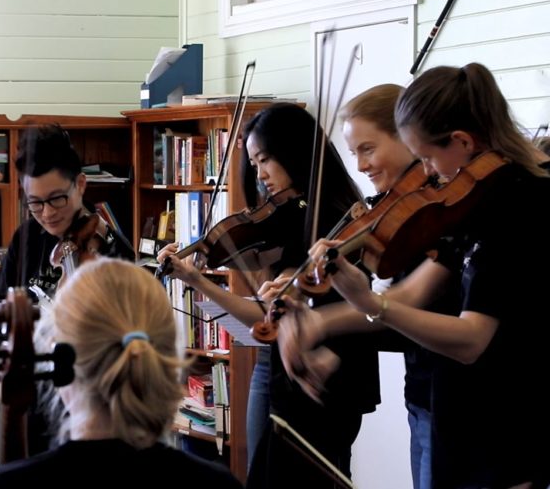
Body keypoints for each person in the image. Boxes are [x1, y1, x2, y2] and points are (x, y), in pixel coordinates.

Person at [302, 63, 550, 488]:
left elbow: (471, 340)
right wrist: (321, 318)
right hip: (457, 418)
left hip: (505, 431)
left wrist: (370, 304)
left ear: (462, 141)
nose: (428, 172)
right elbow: (417, 292)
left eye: (428, 157)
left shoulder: (517, 204)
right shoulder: (470, 200)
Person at [157, 103, 379, 487]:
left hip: (325, 385)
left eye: (265, 160)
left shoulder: (337, 221)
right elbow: (265, 320)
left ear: (293, 151)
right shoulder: (290, 220)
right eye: (254, 163)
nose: (259, 176)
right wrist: (197, 280)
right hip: (279, 370)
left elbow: (281, 315)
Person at [271, 84, 449, 489]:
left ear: (408, 136)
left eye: (368, 149)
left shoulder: (441, 216)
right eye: (354, 154)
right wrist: (298, 300)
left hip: (458, 402)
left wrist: (323, 326)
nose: (361, 166)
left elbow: (409, 306)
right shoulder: (391, 214)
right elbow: (394, 318)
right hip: (421, 393)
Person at [0, 258, 242, 489]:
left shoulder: (3, 487)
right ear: (168, 358)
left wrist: (12, 408)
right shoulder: (219, 485)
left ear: (58, 360)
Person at [0, 123, 133, 300]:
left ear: (80, 184)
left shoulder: (113, 249)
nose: (47, 213)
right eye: (35, 202)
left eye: (57, 198)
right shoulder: (27, 236)